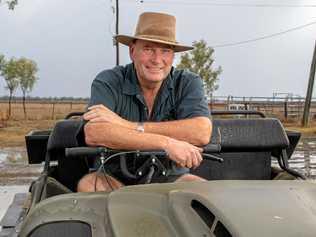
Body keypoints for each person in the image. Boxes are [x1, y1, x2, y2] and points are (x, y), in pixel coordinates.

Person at [77, 12, 212, 192]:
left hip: (171, 177)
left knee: (203, 191)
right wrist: (167, 143)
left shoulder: (188, 82)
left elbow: (202, 131)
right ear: (133, 51)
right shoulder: (109, 81)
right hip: (113, 176)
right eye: (148, 49)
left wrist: (124, 125)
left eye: (165, 50)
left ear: (173, 56)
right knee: (90, 185)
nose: (157, 60)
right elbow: (94, 132)